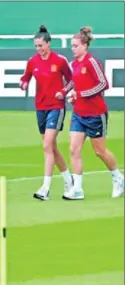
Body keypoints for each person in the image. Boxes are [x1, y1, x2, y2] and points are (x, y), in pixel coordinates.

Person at [63, 26, 124, 200]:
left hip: (95, 114)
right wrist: (66, 92)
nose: (72, 49)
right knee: (74, 149)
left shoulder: (91, 62)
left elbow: (103, 84)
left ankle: (118, 178)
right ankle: (77, 189)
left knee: (100, 151)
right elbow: (74, 83)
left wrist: (81, 94)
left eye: (75, 46)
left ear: (84, 45)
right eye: (71, 46)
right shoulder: (73, 64)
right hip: (78, 114)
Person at [20, 25, 74, 201]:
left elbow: (72, 80)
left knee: (46, 145)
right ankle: (68, 179)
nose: (39, 49)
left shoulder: (59, 61)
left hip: (56, 106)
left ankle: (46, 187)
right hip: (40, 107)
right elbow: (25, 77)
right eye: (36, 46)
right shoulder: (33, 61)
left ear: (48, 44)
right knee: (51, 146)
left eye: (41, 45)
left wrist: (64, 92)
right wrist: (23, 84)